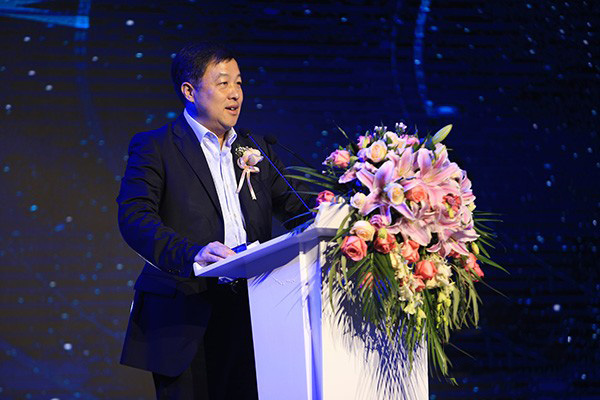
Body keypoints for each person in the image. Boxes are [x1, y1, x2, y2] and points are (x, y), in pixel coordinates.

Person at [116, 43, 308, 399]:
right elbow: (135, 218)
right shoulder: (155, 147)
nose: (235, 93)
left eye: (239, 83)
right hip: (185, 314)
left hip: (253, 313)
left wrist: (350, 212)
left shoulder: (254, 148)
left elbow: (300, 209)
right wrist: (194, 253)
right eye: (223, 83)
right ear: (189, 91)